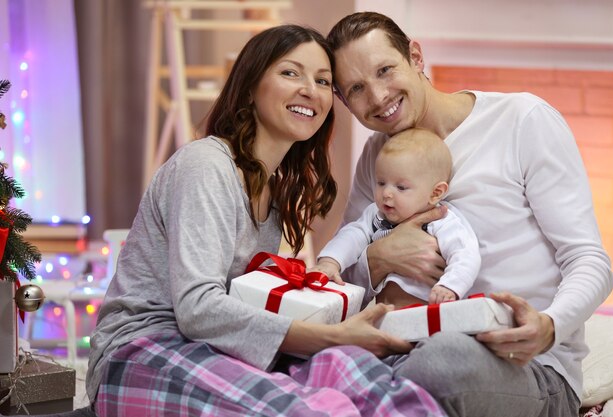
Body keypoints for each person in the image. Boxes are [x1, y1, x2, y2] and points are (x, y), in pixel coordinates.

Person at [85, 24, 445, 416]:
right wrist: (327, 336)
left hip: (218, 346)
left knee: (375, 387)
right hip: (141, 351)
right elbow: (197, 308)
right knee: (310, 409)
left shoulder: (274, 195)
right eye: (291, 73)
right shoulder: (205, 165)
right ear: (251, 86)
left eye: (323, 81)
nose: (310, 89)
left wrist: (336, 340)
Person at [326, 11, 613, 417]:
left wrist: (547, 327)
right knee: (320, 354)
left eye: (385, 70)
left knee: (442, 361)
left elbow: (590, 260)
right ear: (343, 100)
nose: (377, 97)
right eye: (356, 88)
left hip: (525, 367)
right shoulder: (377, 156)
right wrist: (380, 257)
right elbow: (345, 278)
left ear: (415, 56)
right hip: (406, 344)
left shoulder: (521, 120)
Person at [312, 127, 480, 306]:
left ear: (435, 193)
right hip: (383, 316)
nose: (386, 193)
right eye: (381, 183)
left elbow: (465, 255)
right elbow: (351, 236)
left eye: (401, 187)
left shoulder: (442, 222)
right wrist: (330, 262)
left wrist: (450, 287)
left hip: (426, 315)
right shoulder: (375, 215)